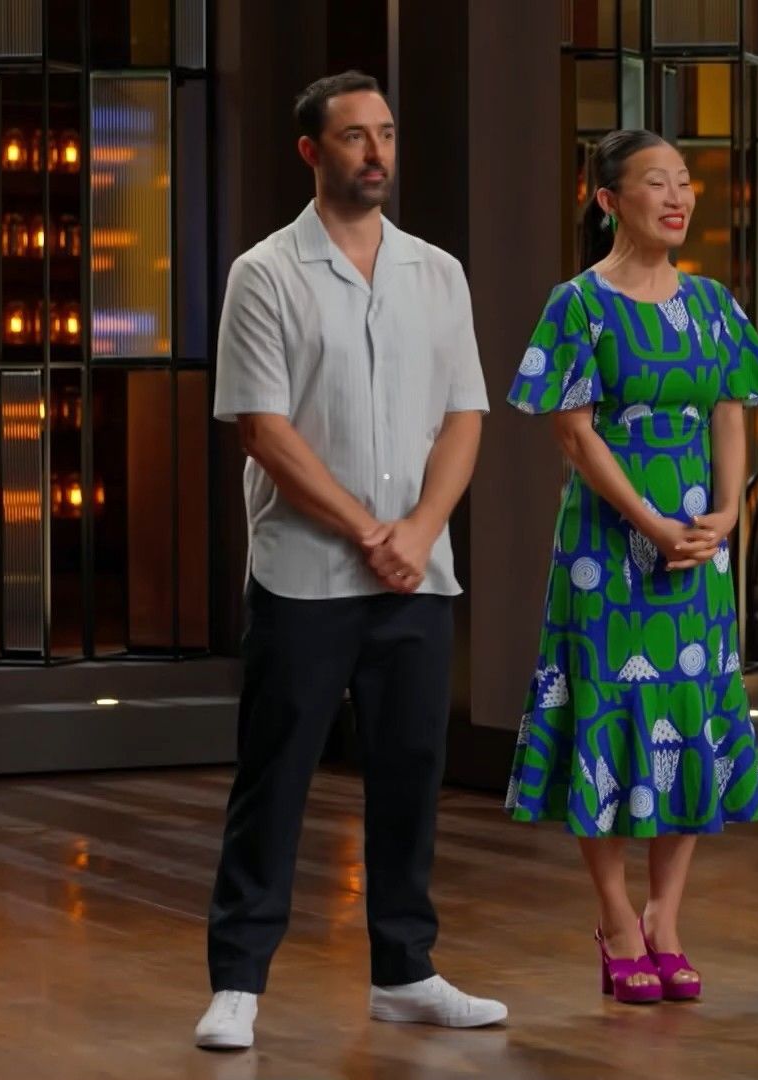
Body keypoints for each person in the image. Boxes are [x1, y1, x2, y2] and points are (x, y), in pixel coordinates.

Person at [196, 71, 506, 1050]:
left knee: (411, 772)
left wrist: (417, 530)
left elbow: (464, 416)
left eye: (386, 134)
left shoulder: (438, 273)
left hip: (418, 573)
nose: (376, 153)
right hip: (303, 573)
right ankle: (238, 983)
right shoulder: (265, 274)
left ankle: (406, 972)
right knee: (276, 775)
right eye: (354, 137)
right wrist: (369, 531)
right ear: (311, 152)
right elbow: (262, 427)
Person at [504, 128, 758, 1004]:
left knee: (689, 712)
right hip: (606, 549)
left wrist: (726, 512)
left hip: (697, 546)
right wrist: (650, 524)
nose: (678, 197)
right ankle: (617, 919)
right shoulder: (577, 304)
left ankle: (666, 919)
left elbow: (732, 410)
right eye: (656, 182)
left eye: (685, 181)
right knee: (610, 712)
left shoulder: (713, 305)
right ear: (608, 200)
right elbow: (574, 434)